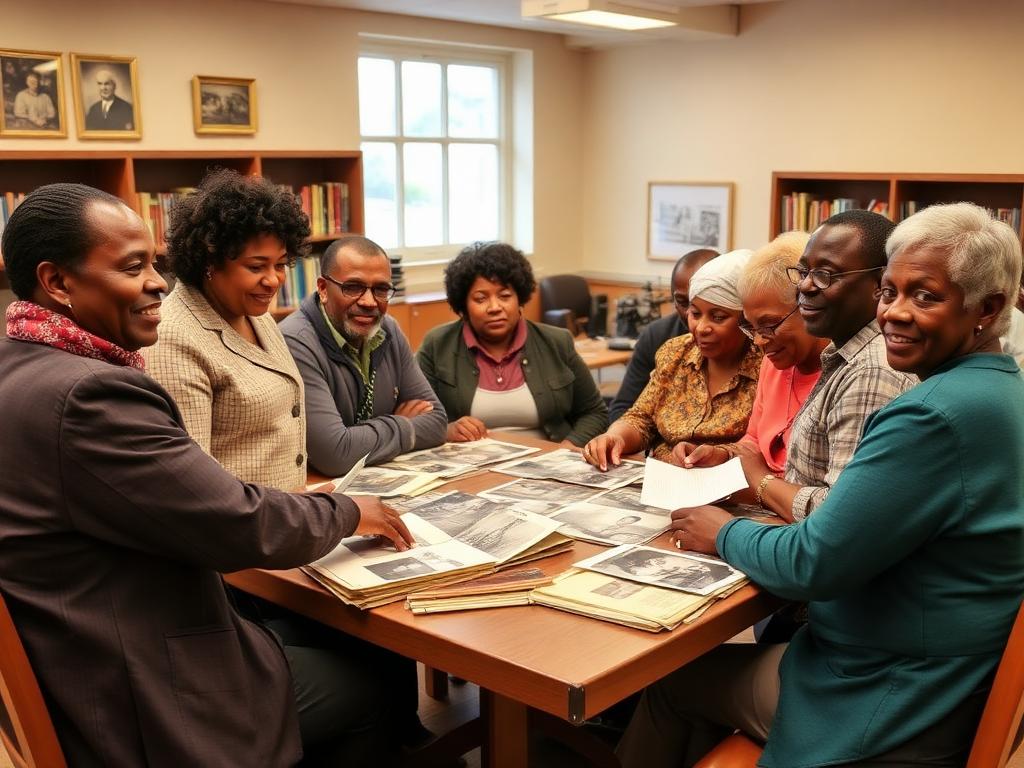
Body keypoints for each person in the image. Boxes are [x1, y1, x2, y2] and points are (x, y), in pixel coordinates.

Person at [0, 182, 415, 767]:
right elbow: (232, 519)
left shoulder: (20, 365)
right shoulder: (93, 394)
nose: (158, 283)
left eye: (154, 262)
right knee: (373, 687)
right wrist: (348, 511)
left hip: (79, 642)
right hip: (138, 677)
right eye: (133, 266)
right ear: (58, 282)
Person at [620, 202, 1024, 768]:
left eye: (925, 297)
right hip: (941, 671)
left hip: (885, 696)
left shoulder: (931, 415)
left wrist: (725, 531)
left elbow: (814, 559)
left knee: (668, 678)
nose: (895, 314)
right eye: (890, 292)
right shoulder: (1002, 387)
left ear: (987, 310)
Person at [728, 210, 914, 521]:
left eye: (826, 274)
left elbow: (840, 517)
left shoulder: (871, 370)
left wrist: (760, 483)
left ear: (880, 285)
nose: (806, 288)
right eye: (803, 272)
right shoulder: (842, 356)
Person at [145, 169, 311, 490]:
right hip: (240, 527)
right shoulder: (172, 337)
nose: (274, 280)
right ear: (210, 262)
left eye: (280, 264)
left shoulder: (255, 313)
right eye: (256, 266)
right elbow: (192, 482)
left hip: (287, 515)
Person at [671, 232, 827, 513]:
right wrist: (722, 455)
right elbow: (754, 440)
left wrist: (760, 480)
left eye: (768, 325)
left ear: (809, 307)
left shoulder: (846, 376)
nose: (758, 341)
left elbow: (834, 512)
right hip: (763, 510)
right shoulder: (776, 362)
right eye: (751, 327)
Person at [281, 235, 447, 477]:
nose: (369, 302)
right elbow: (335, 455)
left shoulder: (388, 329)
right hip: (320, 491)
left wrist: (358, 438)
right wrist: (401, 424)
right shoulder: (295, 341)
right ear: (323, 289)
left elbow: (437, 422)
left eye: (381, 289)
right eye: (353, 287)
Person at [582, 249, 761, 470]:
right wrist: (615, 437)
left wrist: (721, 456)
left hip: (731, 485)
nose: (702, 328)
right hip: (663, 479)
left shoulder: (767, 366)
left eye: (718, 317)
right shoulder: (675, 352)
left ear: (746, 319)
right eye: (695, 314)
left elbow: (766, 448)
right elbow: (641, 418)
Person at [417, 241, 608, 446]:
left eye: (505, 296)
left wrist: (566, 449)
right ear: (463, 305)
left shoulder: (557, 342)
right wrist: (446, 430)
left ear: (520, 298)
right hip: (468, 468)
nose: (495, 307)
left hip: (547, 464)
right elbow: (413, 416)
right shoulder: (437, 345)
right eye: (481, 299)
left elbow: (595, 413)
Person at [608, 247, 718, 422]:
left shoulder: (756, 349)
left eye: (718, 316)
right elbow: (624, 409)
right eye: (683, 303)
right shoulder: (661, 341)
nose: (692, 318)